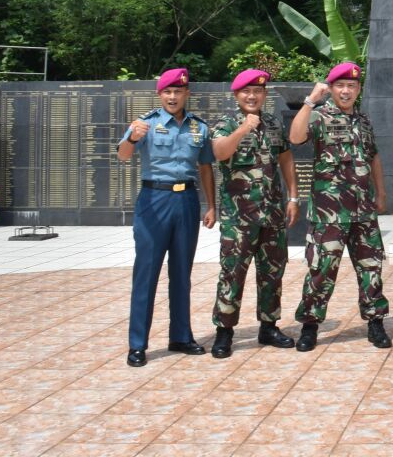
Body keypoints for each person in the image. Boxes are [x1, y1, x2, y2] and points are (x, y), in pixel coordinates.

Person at [116, 67, 216, 367]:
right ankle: (137, 344)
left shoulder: (200, 127)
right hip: (154, 199)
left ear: (187, 94)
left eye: (178, 91)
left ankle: (181, 336)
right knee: (146, 273)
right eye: (167, 92)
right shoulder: (144, 124)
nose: (173, 96)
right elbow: (122, 155)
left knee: (182, 272)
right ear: (160, 95)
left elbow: (206, 167)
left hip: (186, 200)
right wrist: (132, 138)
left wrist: (210, 204)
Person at [289, 62, 391, 351]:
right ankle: (309, 326)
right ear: (332, 88)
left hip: (363, 211)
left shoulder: (364, 121)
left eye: (352, 86)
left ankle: (375, 323)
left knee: (371, 268)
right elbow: (295, 138)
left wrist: (381, 192)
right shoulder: (319, 116)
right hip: (329, 213)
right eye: (341, 86)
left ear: (358, 89)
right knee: (321, 269)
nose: (346, 91)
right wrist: (310, 100)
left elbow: (374, 157)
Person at [208, 69, 298, 357]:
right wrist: (244, 128)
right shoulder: (226, 123)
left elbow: (285, 158)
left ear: (264, 94)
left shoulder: (273, 123)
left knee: (272, 271)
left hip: (271, 213)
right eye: (246, 91)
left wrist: (293, 196)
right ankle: (224, 331)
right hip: (238, 218)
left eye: (257, 91)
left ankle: (269, 326)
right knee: (232, 273)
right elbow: (219, 153)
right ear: (236, 95)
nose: (252, 96)